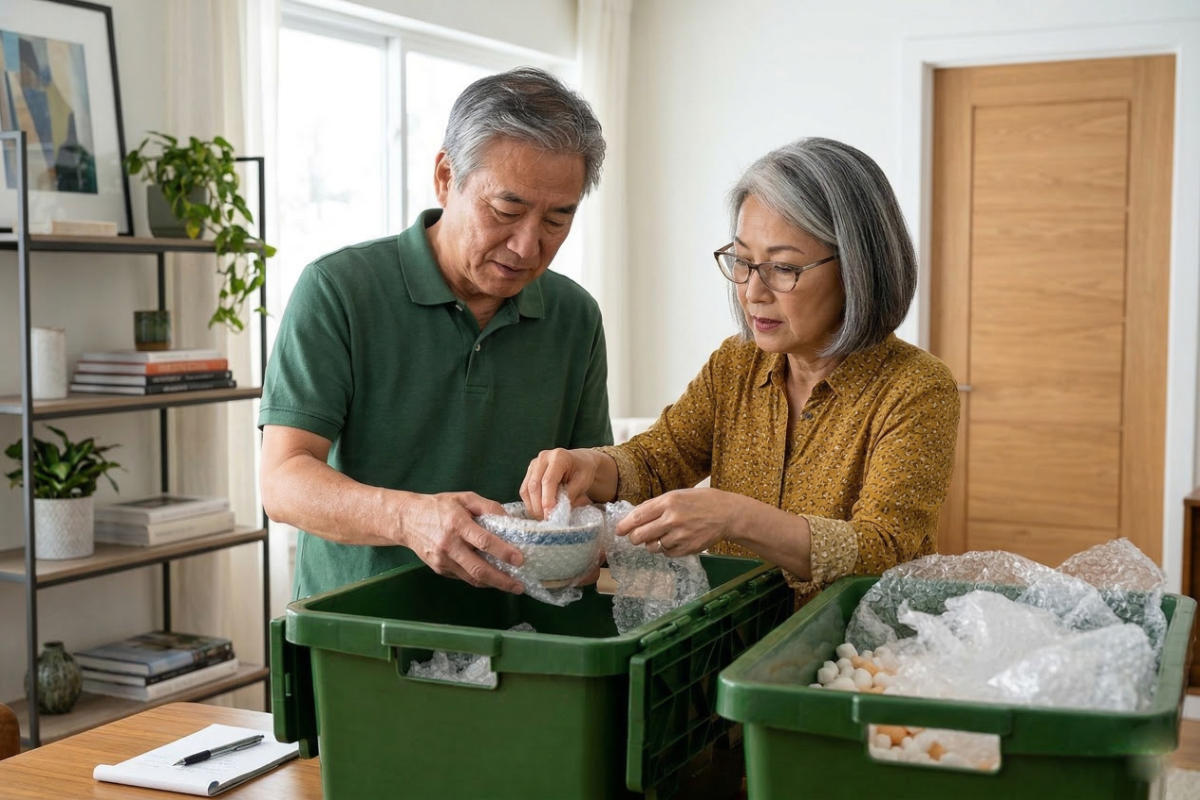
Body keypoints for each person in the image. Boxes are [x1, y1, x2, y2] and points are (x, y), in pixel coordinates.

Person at [521, 137, 959, 601]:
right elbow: (657, 460)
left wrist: (735, 516)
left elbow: (885, 550)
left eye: (784, 268)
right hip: (729, 639)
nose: (753, 292)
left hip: (846, 658)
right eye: (743, 262)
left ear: (858, 269)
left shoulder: (915, 388)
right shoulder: (738, 363)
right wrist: (590, 465)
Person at [259, 67, 612, 599]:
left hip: (526, 633)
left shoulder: (575, 316)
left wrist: (591, 533)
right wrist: (411, 519)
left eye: (556, 221)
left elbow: (594, 480)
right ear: (446, 177)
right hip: (361, 633)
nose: (526, 246)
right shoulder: (339, 289)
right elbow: (283, 482)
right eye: (506, 210)